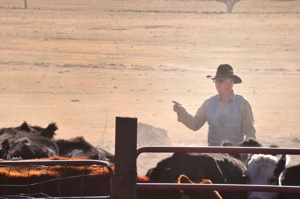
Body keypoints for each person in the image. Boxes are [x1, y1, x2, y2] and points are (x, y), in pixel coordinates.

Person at [173, 64, 256, 146]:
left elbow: (250, 132)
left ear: (231, 81)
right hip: (213, 154)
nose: (217, 83)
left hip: (235, 155)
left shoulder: (242, 102)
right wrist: (182, 112)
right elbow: (195, 124)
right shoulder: (208, 103)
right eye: (215, 81)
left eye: (220, 80)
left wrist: (245, 152)